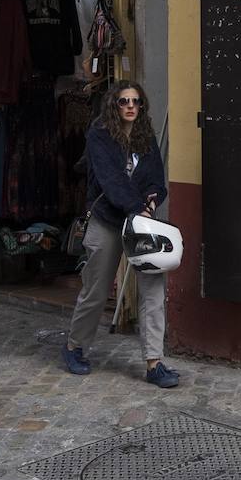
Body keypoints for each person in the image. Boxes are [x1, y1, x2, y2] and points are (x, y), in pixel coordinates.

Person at [63, 79, 177, 387]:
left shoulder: (145, 136)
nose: (130, 107)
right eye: (124, 101)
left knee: (153, 289)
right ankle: (75, 346)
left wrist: (152, 199)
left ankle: (155, 362)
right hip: (107, 220)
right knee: (96, 289)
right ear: (113, 104)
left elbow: (156, 179)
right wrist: (138, 205)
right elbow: (111, 181)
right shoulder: (99, 137)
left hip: (141, 223)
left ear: (142, 106)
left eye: (135, 102)